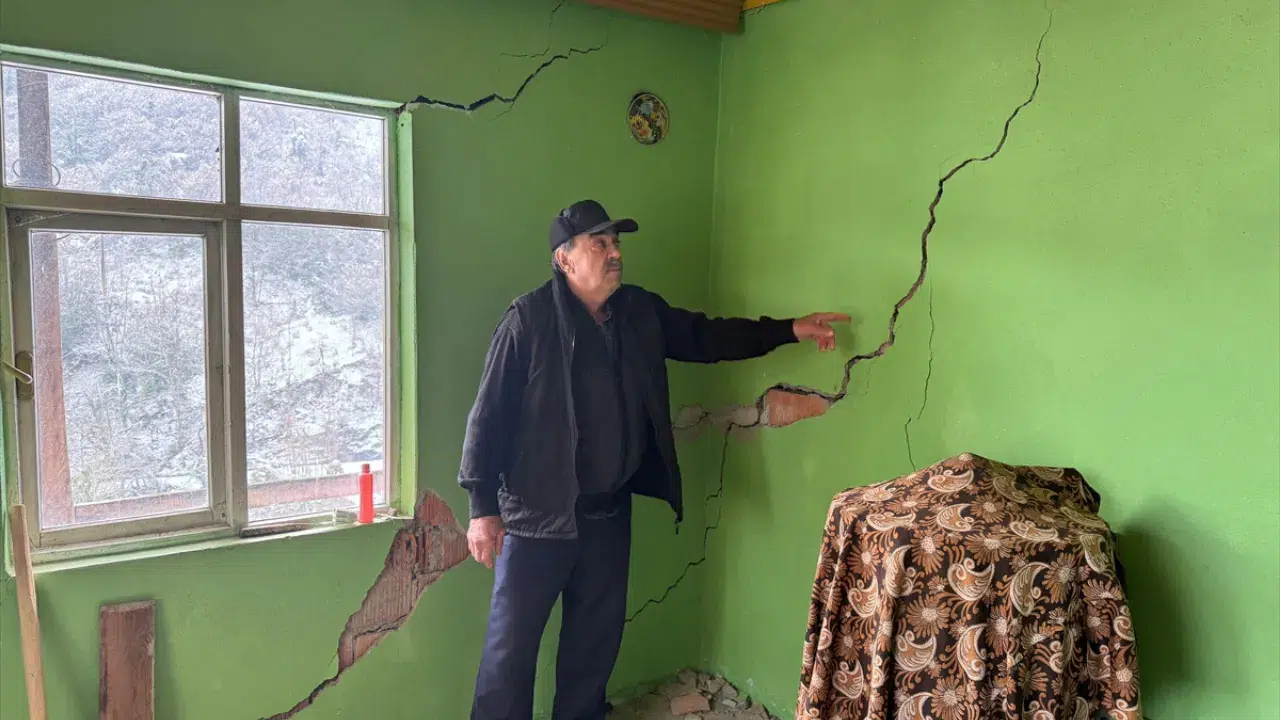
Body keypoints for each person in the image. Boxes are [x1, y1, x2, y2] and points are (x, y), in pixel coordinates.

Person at [459, 199, 849, 720]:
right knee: (510, 655)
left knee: (593, 648)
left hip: (606, 513)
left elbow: (708, 336)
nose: (615, 253)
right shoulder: (527, 321)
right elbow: (488, 415)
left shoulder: (637, 311)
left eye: (616, 242)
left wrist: (790, 328)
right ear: (564, 258)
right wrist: (482, 507)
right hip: (535, 518)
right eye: (600, 243)